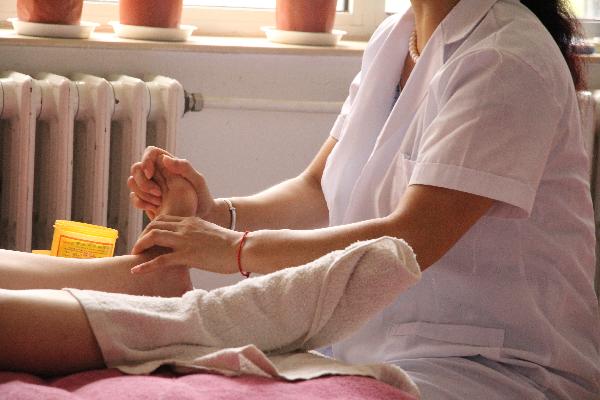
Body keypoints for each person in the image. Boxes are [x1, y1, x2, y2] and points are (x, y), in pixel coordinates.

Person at [0, 0, 599, 398]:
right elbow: (317, 190)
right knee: (179, 320)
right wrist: (213, 214)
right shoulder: (398, 37)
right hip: (359, 339)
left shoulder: (505, 57)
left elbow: (410, 239)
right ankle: (138, 287)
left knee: (189, 325)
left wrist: (231, 249)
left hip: (486, 369)